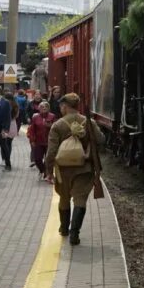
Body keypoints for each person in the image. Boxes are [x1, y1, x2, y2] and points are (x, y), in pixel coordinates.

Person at [45, 93, 103, 245]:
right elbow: (101, 140)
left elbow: (51, 151)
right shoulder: (88, 121)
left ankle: (64, 228)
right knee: (80, 199)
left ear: (65, 106)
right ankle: (74, 234)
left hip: (63, 170)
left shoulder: (57, 125)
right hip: (84, 169)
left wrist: (48, 171)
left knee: (64, 198)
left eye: (61, 106)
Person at [27, 101, 56, 178]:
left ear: (49, 108)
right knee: (37, 159)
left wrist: (50, 126)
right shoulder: (35, 117)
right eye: (42, 107)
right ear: (39, 109)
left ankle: (49, 174)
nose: (44, 108)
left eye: (46, 107)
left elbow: (56, 128)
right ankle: (43, 170)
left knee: (49, 159)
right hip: (38, 141)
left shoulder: (52, 116)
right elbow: (32, 129)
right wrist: (32, 140)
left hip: (49, 141)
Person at [0, 92, 20, 171]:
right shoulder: (16, 106)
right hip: (13, 124)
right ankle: (7, 158)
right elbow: (17, 116)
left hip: (6, 125)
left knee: (4, 144)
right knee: (8, 144)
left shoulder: (4, 105)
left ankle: (4, 160)